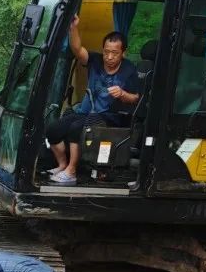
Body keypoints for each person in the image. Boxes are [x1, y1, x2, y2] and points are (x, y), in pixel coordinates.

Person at [46, 17, 140, 186]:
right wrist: (73, 27)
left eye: (115, 53)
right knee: (53, 129)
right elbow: (77, 49)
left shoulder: (129, 70)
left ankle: (72, 172)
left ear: (123, 53)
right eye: (106, 52)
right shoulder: (95, 60)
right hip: (86, 112)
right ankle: (62, 165)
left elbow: (136, 98)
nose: (109, 57)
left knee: (77, 128)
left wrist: (122, 94)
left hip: (110, 116)